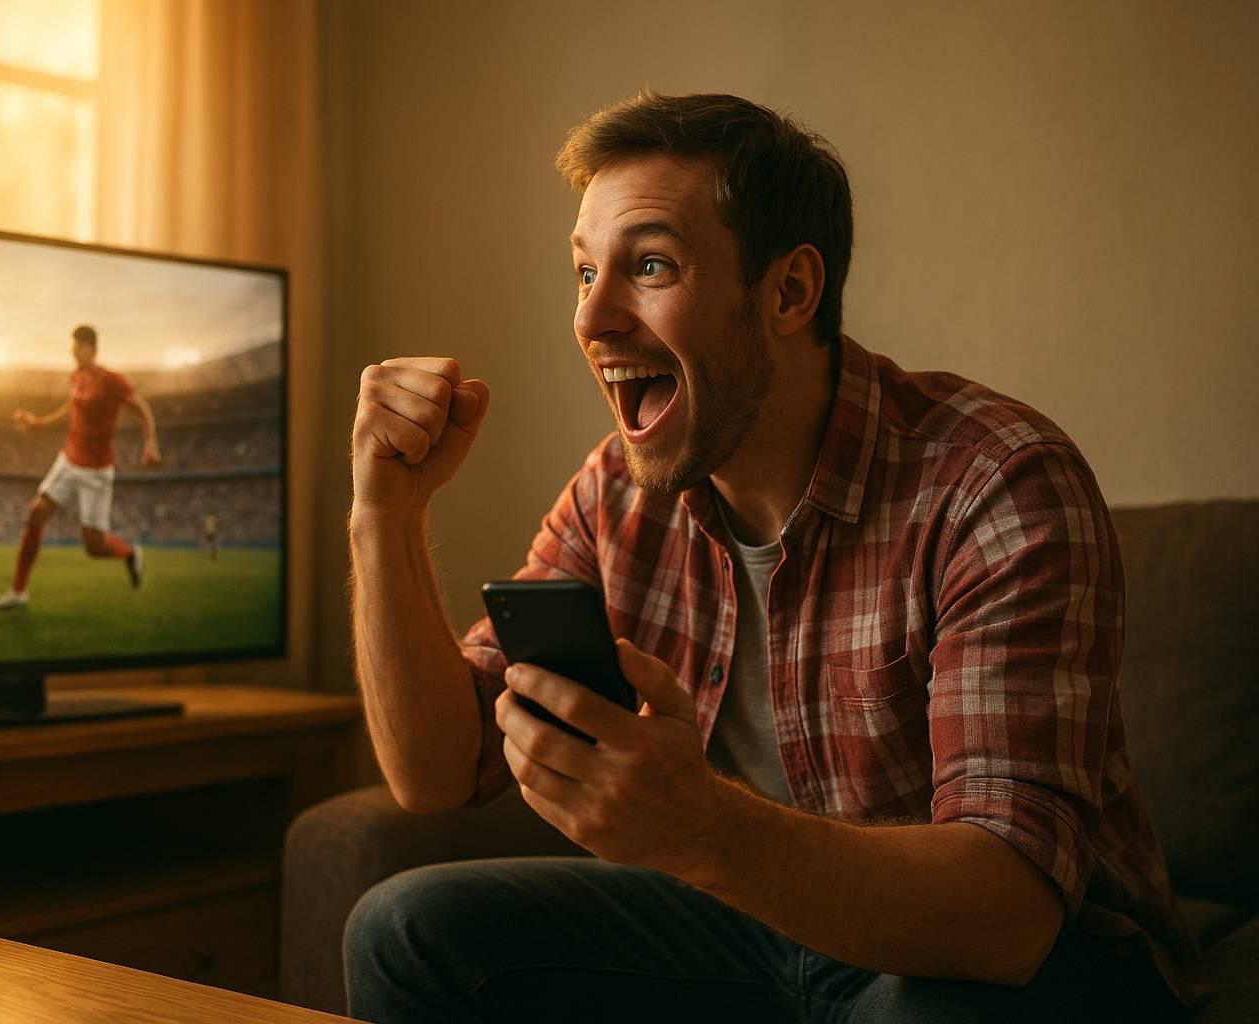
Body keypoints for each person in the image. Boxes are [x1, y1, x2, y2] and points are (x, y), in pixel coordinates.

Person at [344, 92, 1197, 1023]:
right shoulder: (618, 491)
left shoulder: (995, 483)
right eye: (585, 272)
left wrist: (700, 826)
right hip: (755, 925)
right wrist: (383, 513)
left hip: (1031, 961)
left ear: (789, 292)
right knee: (405, 927)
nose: (593, 319)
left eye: (651, 265)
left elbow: (1008, 916)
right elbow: (434, 772)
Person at [0, 324, 160, 609]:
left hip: (96, 471)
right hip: (68, 460)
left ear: (91, 348)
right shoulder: (76, 377)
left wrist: (151, 442)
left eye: (78, 346)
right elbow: (70, 409)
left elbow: (140, 407)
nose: (73, 351)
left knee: (94, 546)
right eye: (72, 345)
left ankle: (130, 554)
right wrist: (37, 423)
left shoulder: (111, 381)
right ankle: (18, 592)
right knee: (36, 514)